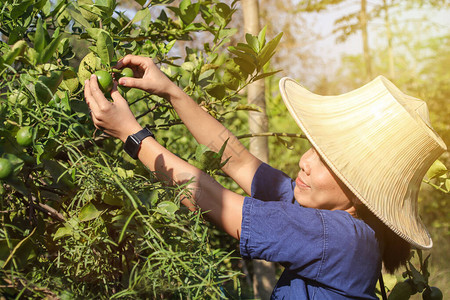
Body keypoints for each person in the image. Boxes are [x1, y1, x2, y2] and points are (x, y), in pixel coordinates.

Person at [84, 55, 447, 299]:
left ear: (360, 193)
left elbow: (218, 202)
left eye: (325, 162)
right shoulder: (337, 220)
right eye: (312, 149)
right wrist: (171, 91)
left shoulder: (339, 237)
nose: (305, 162)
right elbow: (236, 159)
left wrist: (131, 135)